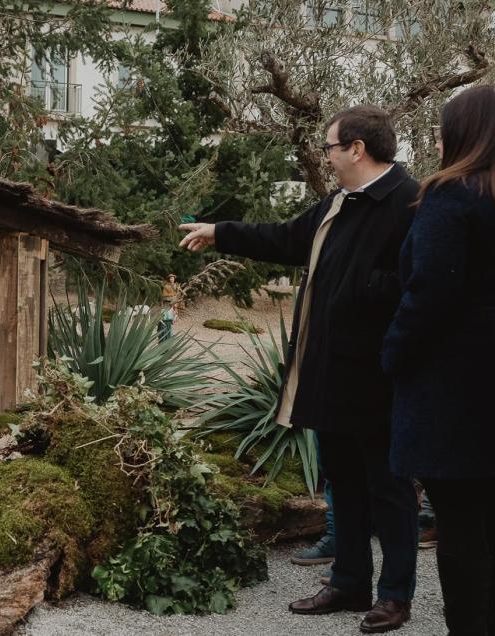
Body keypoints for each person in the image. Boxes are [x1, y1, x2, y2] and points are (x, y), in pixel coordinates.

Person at [179, 105, 419, 633]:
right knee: (345, 482)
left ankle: (395, 595)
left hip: (381, 379)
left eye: (331, 147)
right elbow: (287, 239)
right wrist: (221, 232)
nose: (326, 157)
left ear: (357, 148)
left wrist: (366, 297)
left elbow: (415, 290)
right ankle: (350, 582)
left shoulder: (411, 202)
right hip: (331, 372)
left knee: (390, 488)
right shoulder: (338, 203)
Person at [381, 84, 495, 636]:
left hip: (454, 396)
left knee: (462, 532)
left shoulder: (453, 197)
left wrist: (392, 355)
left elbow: (428, 294)